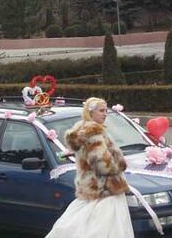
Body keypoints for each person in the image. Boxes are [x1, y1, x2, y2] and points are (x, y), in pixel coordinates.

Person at [45, 97, 134, 238]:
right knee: (105, 228)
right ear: (90, 112)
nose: (105, 114)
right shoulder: (93, 133)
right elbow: (102, 164)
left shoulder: (83, 130)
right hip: (103, 188)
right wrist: (120, 165)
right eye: (101, 110)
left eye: (106, 110)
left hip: (93, 186)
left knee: (84, 223)